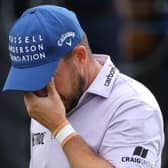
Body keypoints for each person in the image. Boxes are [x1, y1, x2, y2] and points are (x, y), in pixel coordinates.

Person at [3, 5, 164, 168]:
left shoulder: (133, 105)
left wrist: (60, 127)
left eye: (48, 78)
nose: (40, 91)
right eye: (29, 81)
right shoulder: (46, 100)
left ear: (80, 56)